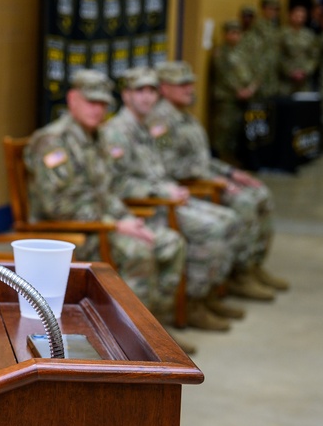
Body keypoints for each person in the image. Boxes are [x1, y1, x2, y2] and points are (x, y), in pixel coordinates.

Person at [24, 69, 186, 325]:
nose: (98, 110)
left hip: (102, 224)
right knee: (139, 251)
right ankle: (131, 336)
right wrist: (115, 224)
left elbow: (106, 191)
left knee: (170, 242)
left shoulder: (97, 137)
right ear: (73, 99)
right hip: (67, 233)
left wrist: (129, 219)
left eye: (103, 104)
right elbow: (57, 206)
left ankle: (154, 328)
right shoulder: (53, 140)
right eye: (91, 102)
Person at [102, 67, 243, 331]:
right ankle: (190, 304)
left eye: (151, 91)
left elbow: (162, 169)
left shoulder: (147, 127)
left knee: (230, 219)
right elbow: (117, 184)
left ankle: (205, 295)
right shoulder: (117, 132)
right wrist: (159, 192)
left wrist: (170, 188)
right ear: (126, 95)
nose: (146, 98)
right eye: (139, 91)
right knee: (213, 228)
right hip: (149, 208)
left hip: (167, 200)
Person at [148, 61, 288, 302]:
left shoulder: (185, 116)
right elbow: (168, 165)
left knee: (260, 193)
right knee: (244, 202)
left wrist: (230, 173)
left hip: (206, 179)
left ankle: (253, 265)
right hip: (189, 187)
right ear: (164, 88)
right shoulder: (160, 122)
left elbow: (203, 158)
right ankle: (238, 274)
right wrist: (214, 180)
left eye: (190, 83)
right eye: (181, 84)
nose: (189, 88)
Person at [211, 19, 257, 163]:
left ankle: (236, 159)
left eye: (238, 33)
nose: (235, 36)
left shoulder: (245, 52)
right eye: (232, 33)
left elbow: (256, 71)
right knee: (224, 130)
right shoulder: (220, 53)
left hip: (246, 96)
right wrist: (239, 90)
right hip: (227, 98)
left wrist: (251, 88)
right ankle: (219, 160)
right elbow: (224, 75)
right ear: (225, 35)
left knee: (240, 130)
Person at [278, 4, 320, 95]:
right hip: (285, 80)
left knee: (302, 105)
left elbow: (314, 56)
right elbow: (278, 55)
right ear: (290, 15)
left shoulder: (310, 35)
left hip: (304, 80)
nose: (299, 19)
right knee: (286, 105)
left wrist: (305, 71)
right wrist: (289, 71)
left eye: (302, 17)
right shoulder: (281, 34)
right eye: (296, 16)